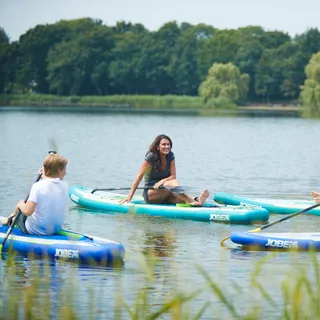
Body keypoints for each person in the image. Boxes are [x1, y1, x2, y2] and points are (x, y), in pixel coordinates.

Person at [120, 134, 209, 205]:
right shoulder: (151, 157)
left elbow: (173, 175)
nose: (167, 146)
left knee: (174, 187)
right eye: (164, 144)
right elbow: (139, 176)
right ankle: (193, 200)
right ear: (158, 147)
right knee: (173, 183)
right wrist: (130, 196)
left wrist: (161, 181)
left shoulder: (170, 155)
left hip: (167, 193)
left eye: (168, 144)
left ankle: (195, 200)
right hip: (152, 193)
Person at [1, 153, 69, 235]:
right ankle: (10, 218)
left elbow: (27, 211)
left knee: (22, 204)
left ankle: (10, 220)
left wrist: (20, 204)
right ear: (59, 171)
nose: (65, 172)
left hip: (36, 230)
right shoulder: (65, 185)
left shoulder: (37, 186)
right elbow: (52, 182)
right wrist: (45, 174)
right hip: (56, 229)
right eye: (65, 169)